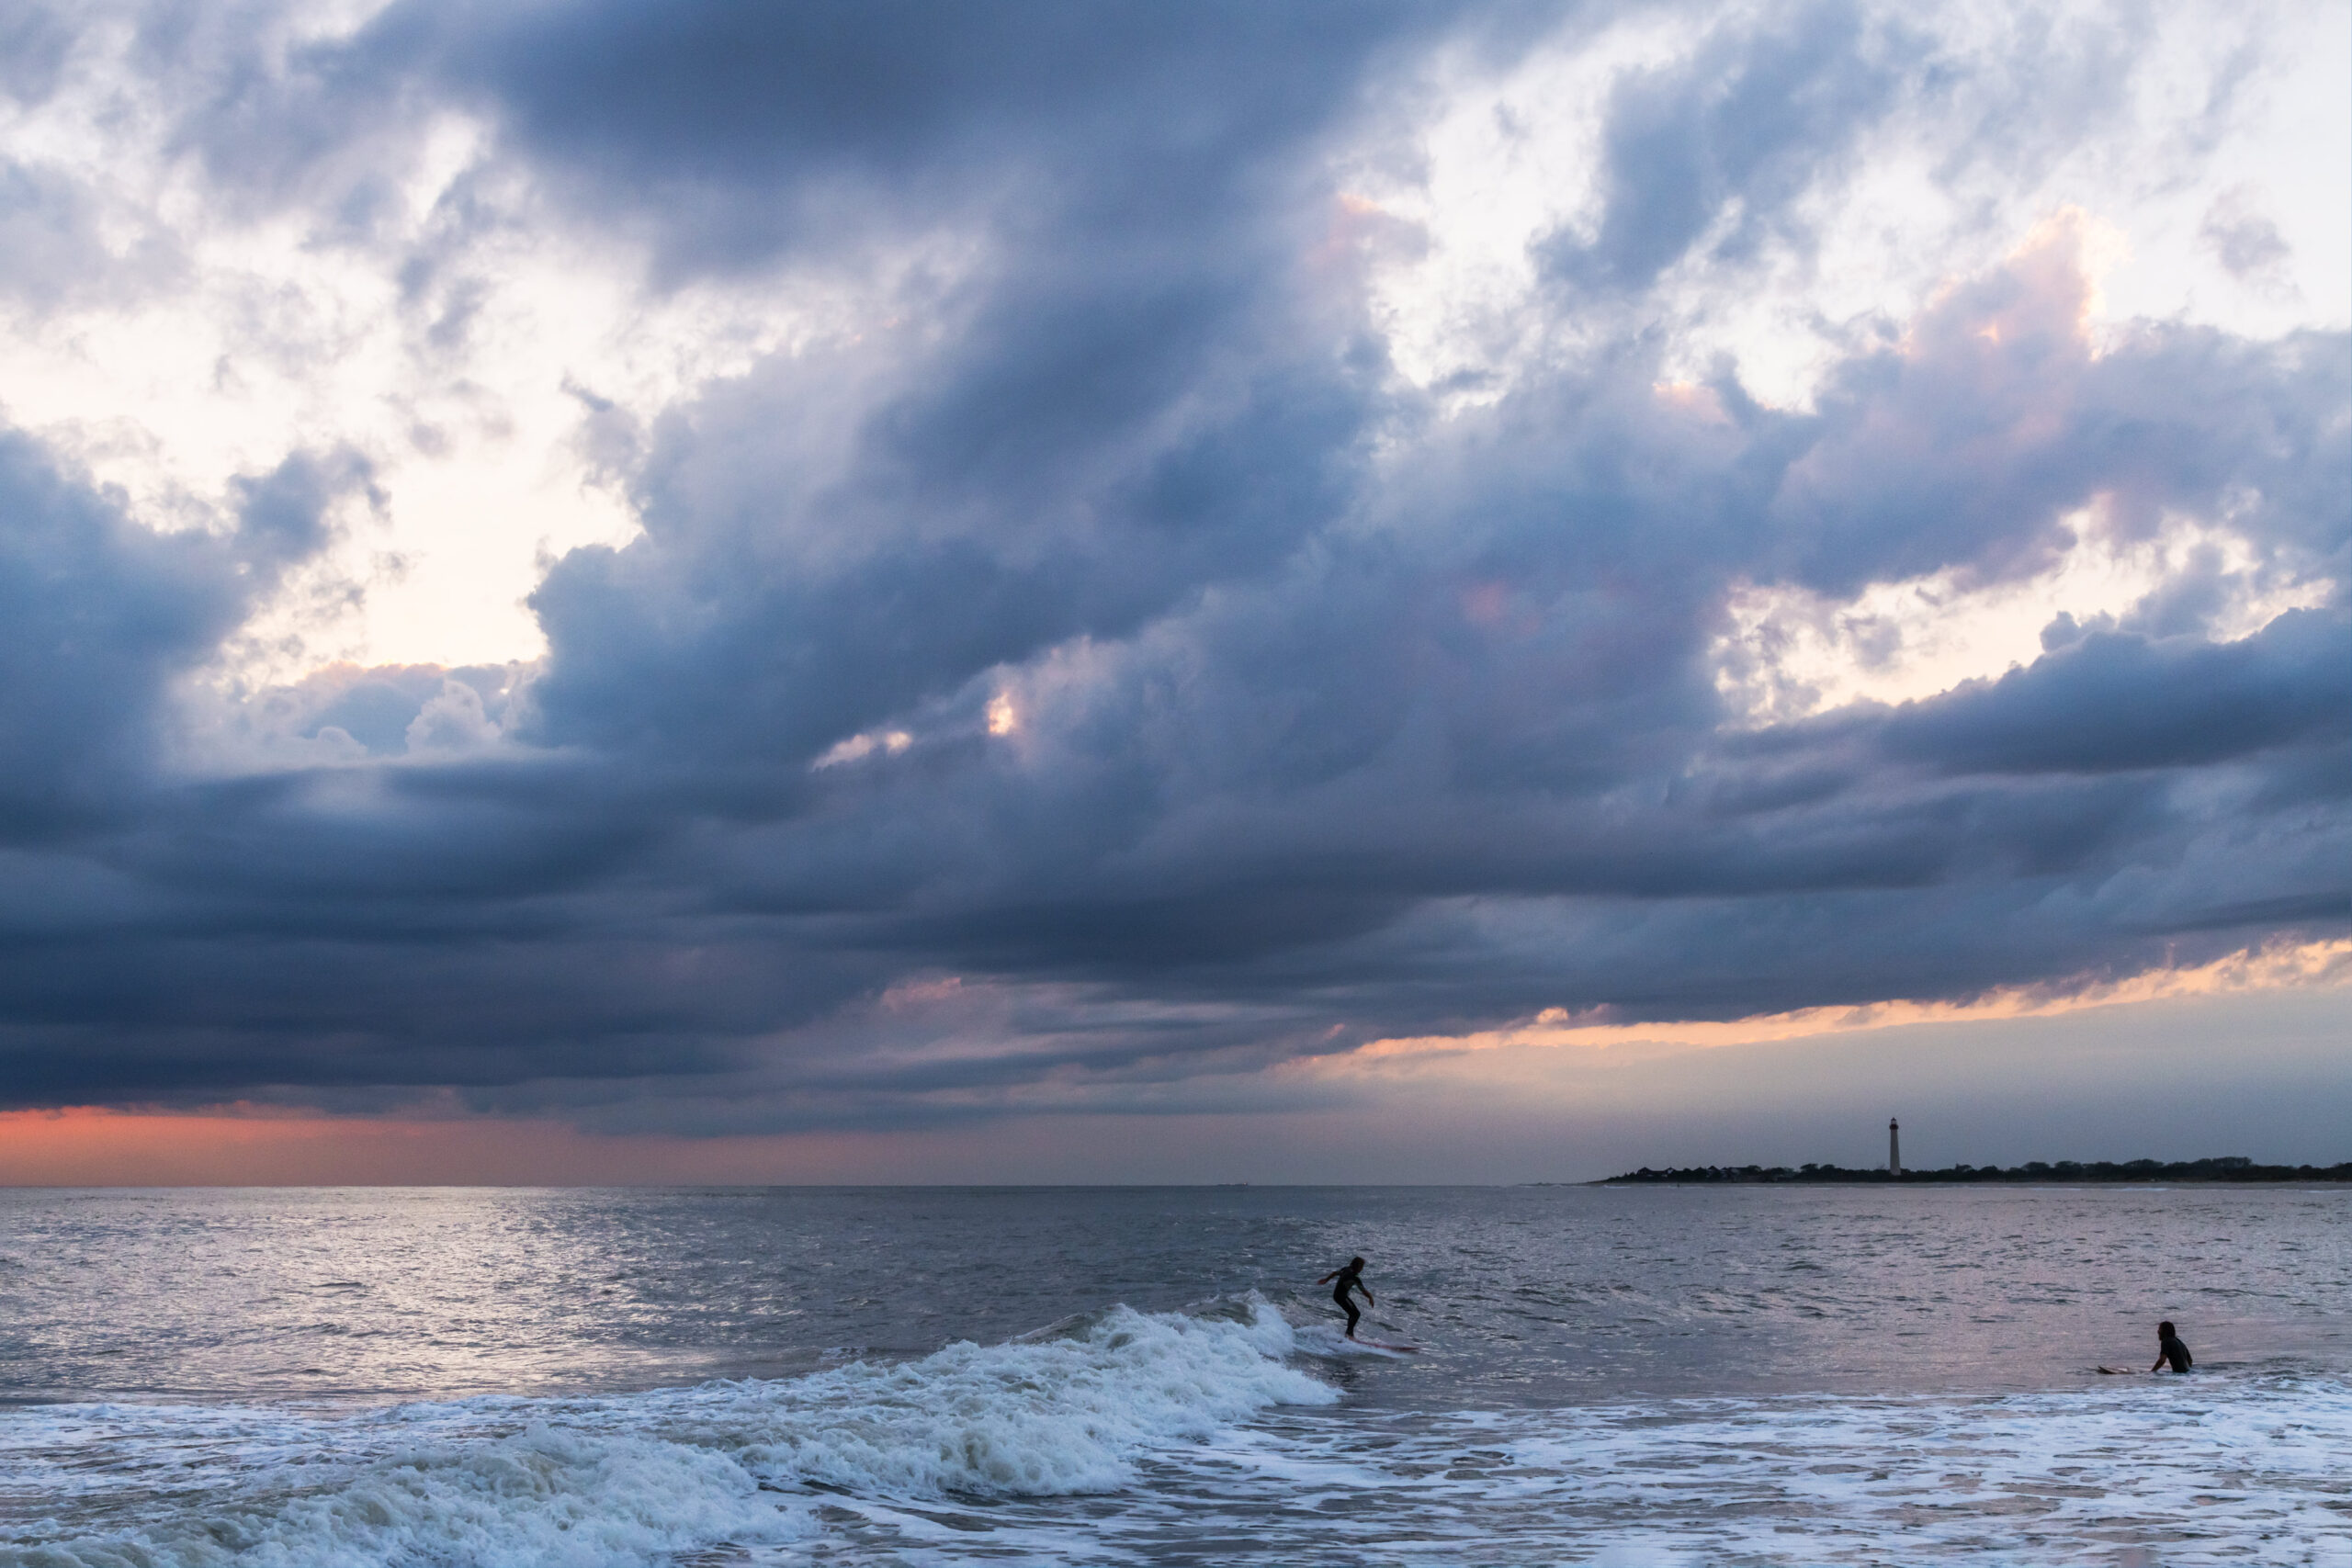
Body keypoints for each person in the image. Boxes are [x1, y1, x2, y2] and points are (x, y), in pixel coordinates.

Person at [1317, 1256, 1374, 1339]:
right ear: (1358, 1267)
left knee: (1353, 1314)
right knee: (1355, 1314)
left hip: (1337, 1295)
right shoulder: (1354, 1277)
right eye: (1362, 1267)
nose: (1362, 1269)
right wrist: (1370, 1297)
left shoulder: (1346, 1269)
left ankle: (1349, 1334)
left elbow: (1334, 1273)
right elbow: (1363, 1291)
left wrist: (1326, 1280)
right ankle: (1349, 1335)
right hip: (1341, 1297)